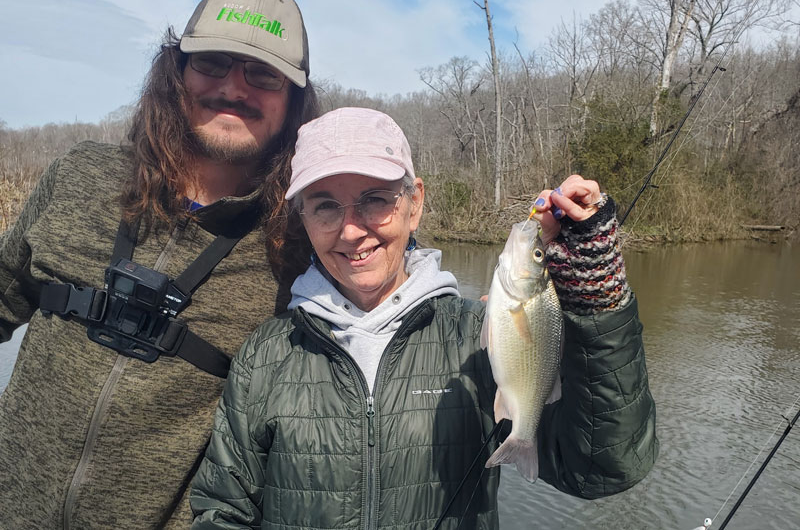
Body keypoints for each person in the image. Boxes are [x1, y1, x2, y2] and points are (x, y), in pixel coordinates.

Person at [189, 107, 659, 528]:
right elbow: (223, 510)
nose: (352, 230)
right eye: (326, 205)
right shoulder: (265, 354)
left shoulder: (474, 336)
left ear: (414, 204)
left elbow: (604, 468)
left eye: (375, 199)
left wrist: (596, 300)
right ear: (304, 218)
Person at [0, 0, 318, 529]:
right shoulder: (81, 175)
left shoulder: (299, 246)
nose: (235, 88)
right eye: (214, 63)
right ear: (177, 73)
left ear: (294, 102)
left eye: (264, 74)